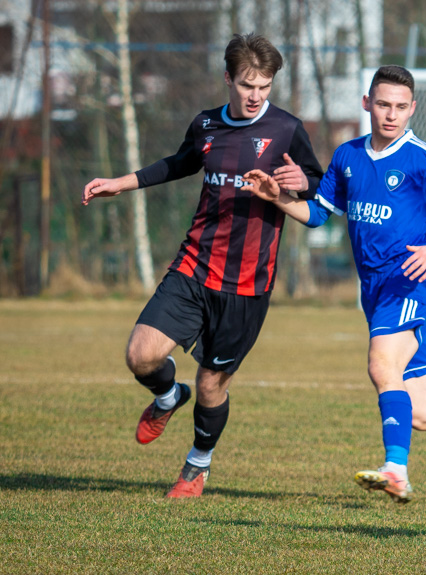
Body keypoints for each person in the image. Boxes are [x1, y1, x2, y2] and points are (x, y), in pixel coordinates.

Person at [240, 65, 426, 506]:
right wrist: (278, 198)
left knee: (382, 364)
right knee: (422, 410)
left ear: (413, 109)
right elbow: (321, 213)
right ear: (367, 103)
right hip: (376, 292)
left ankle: (396, 471)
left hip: (412, 283)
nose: (391, 115)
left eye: (401, 107)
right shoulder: (347, 156)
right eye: (383, 104)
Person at [81, 33, 324, 498]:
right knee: (141, 355)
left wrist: (301, 183)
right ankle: (169, 396)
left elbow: (316, 184)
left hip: (248, 284)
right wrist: (122, 183)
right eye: (248, 85)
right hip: (193, 266)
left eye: (266, 86)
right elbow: (180, 163)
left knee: (212, 383)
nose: (256, 96)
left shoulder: (288, 129)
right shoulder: (206, 125)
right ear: (228, 79)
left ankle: (197, 465)